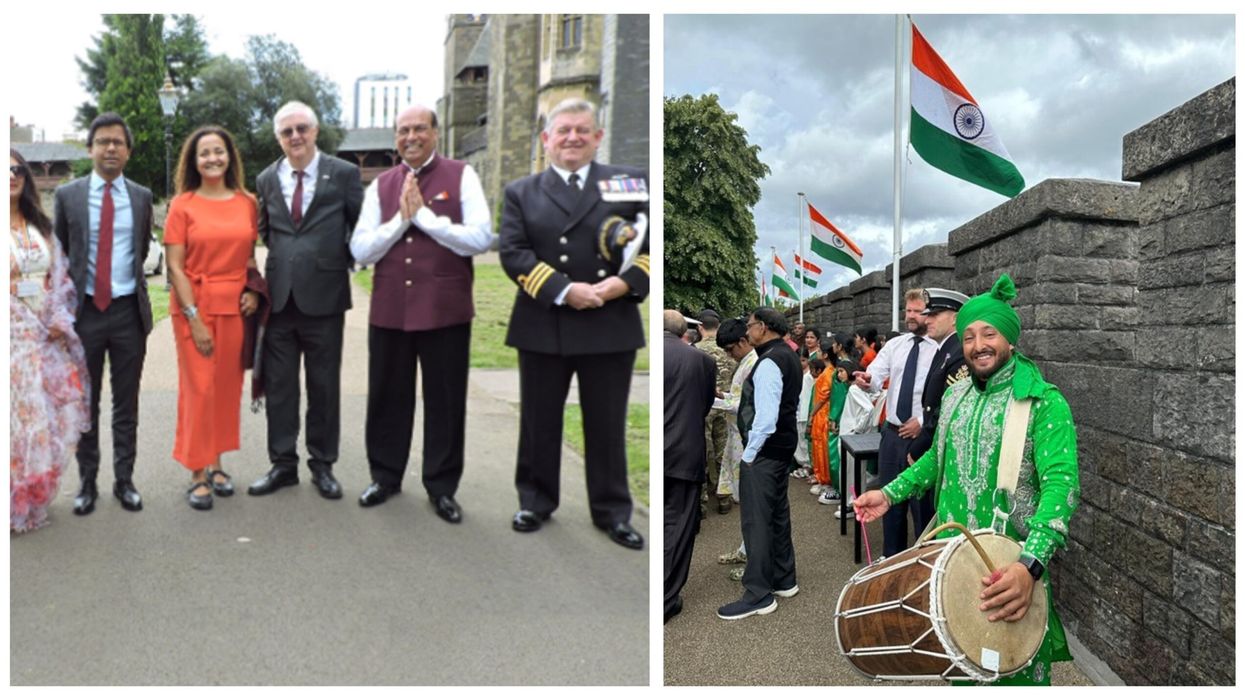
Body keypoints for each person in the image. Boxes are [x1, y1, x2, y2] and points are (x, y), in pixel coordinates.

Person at [853, 274, 1080, 686]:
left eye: (989, 333)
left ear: (1009, 339)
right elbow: (935, 463)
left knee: (1014, 675)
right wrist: (889, 493)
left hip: (1008, 571)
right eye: (969, 336)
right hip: (950, 565)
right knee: (959, 669)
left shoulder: (1046, 403)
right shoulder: (956, 396)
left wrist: (1029, 567)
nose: (978, 345)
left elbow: (1062, 489)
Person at [499, 98, 649, 549]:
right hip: (545, 321)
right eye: (562, 130)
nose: (572, 138)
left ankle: (611, 510)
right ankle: (535, 500)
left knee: (607, 424)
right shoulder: (521, 191)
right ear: (546, 139)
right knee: (539, 420)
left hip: (610, 321)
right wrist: (565, 289)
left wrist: (619, 287)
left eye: (582, 130)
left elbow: (650, 247)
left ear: (598, 137)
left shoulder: (629, 183)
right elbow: (513, 252)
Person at [348, 105, 496, 521]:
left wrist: (426, 219)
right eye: (403, 131)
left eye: (418, 128)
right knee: (387, 398)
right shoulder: (380, 186)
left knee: (445, 401)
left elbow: (480, 238)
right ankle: (385, 475)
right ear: (395, 138)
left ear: (435, 132)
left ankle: (442, 485)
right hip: (390, 308)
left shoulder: (461, 175)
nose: (410, 136)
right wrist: (400, 221)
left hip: (446, 310)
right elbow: (360, 250)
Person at [248, 101, 363, 500]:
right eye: (286, 132)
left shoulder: (344, 174)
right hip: (279, 300)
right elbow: (266, 231)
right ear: (278, 138)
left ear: (315, 131)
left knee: (324, 385)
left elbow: (360, 228)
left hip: (326, 299)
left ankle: (322, 464)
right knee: (280, 387)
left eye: (301, 129)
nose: (295, 137)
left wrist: (337, 263)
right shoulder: (265, 178)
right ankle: (282, 464)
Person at [53, 112, 154, 516]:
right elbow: (61, 256)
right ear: (91, 149)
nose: (110, 148)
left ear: (128, 151)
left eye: (118, 142)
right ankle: (87, 483)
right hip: (85, 315)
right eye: (103, 142)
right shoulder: (68, 195)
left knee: (126, 403)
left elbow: (142, 251)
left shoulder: (142, 197)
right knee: (86, 404)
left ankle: (124, 481)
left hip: (129, 312)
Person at [164, 126, 260, 510]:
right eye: (204, 153)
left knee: (224, 388)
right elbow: (174, 266)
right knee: (199, 389)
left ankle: (217, 463)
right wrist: (194, 318)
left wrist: (253, 289)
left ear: (229, 156)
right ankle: (196, 472)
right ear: (194, 161)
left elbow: (250, 256)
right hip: (195, 306)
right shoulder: (182, 205)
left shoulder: (246, 202)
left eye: (219, 151)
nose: (213, 159)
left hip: (235, 306)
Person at [10, 150, 91, 532]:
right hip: (8, 342)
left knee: (40, 421)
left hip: (42, 339)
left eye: (15, 170)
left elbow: (60, 280)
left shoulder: (41, 226)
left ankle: (29, 497)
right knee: (12, 423)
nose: (9, 176)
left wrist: (60, 317)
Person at [718, 307, 802, 620]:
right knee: (777, 515)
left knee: (756, 523)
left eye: (750, 325)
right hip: (782, 448)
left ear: (763, 327)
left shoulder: (769, 361)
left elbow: (765, 418)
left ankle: (758, 594)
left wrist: (750, 455)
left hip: (765, 451)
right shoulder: (788, 354)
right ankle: (784, 579)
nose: (746, 330)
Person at [852, 289, 939, 556]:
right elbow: (876, 375)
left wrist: (923, 423)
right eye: (907, 311)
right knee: (890, 502)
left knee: (922, 506)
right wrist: (867, 382)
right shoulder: (896, 345)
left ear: (930, 313)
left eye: (916, 311)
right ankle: (892, 559)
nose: (910, 316)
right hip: (891, 436)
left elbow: (948, 393)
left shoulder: (941, 349)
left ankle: (923, 561)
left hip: (921, 438)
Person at [662, 310, 717, 623]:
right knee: (678, 524)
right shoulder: (702, 362)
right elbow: (705, 404)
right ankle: (666, 597)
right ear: (686, 332)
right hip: (684, 449)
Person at [712, 318, 757, 581]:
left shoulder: (754, 364)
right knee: (744, 502)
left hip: (746, 440)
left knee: (750, 504)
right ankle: (745, 548)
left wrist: (717, 402)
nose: (729, 355)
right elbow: (737, 399)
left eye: (730, 349)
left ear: (742, 341)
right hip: (736, 438)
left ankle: (754, 558)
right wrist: (722, 397)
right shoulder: (745, 362)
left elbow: (747, 406)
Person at [907, 288, 969, 468]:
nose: (927, 320)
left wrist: (920, 446)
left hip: (944, 449)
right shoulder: (946, 349)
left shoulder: (958, 352)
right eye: (927, 314)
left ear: (955, 318)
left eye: (935, 314)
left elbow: (946, 409)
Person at [695, 309, 736, 515]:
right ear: (718, 327)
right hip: (726, 406)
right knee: (723, 451)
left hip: (702, 408)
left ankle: (701, 502)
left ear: (699, 327)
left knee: (702, 451)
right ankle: (724, 497)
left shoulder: (694, 351)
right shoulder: (728, 350)